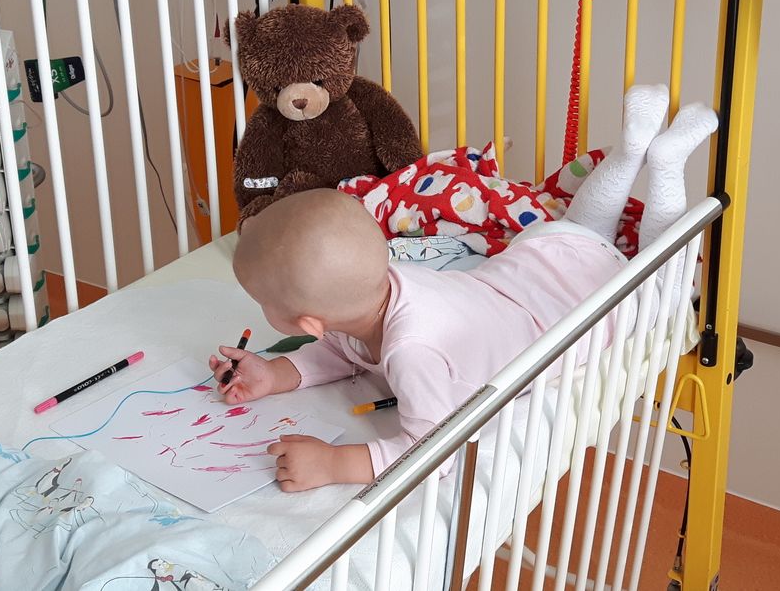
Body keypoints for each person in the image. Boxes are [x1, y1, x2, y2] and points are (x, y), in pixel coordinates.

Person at [210, 85, 718, 491]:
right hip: (536, 266)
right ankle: (636, 152)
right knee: (583, 231)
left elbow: (433, 451)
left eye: (264, 303)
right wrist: (275, 373)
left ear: (308, 322)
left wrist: (334, 463)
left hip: (584, 312)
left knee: (663, 273)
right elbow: (344, 349)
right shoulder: (380, 289)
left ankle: (665, 163)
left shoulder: (413, 353)